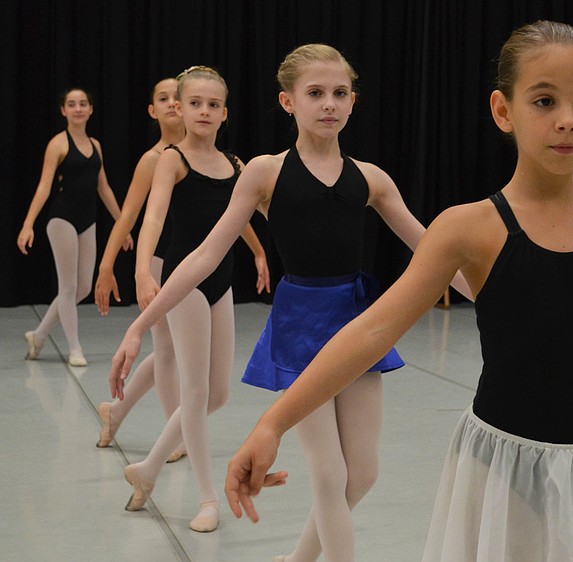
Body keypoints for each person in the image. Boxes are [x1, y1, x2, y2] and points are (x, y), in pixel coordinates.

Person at [212, 21, 573, 561]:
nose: (567, 120)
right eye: (544, 101)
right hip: (497, 469)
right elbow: (373, 330)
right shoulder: (468, 229)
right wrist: (273, 423)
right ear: (503, 109)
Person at [109, 44, 471, 560]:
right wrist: (141, 324)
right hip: (300, 326)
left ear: (353, 102)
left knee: (362, 473)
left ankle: (299, 559)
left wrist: (497, 296)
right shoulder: (264, 172)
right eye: (316, 93)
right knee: (330, 475)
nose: (329, 104)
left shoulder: (371, 179)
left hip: (357, 326)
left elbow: (436, 254)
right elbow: (206, 254)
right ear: (288, 102)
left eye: (340, 93)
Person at [117, 65, 269, 533]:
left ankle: (148, 467)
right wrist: (144, 270)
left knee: (218, 393)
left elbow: (252, 216)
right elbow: (154, 217)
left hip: (219, 282)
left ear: (225, 113)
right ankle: (207, 499)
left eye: (214, 104)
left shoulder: (236, 165)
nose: (205, 111)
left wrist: (261, 253)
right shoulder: (172, 159)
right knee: (197, 391)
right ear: (179, 109)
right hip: (183, 283)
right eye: (195, 103)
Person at [17, 88, 132, 367]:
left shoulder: (95, 145)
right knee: (68, 286)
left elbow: (103, 188)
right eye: (72, 104)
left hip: (87, 220)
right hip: (62, 219)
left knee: (82, 288)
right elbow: (44, 186)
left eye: (83, 104)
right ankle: (74, 348)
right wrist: (28, 224)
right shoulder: (58, 144)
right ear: (63, 111)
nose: (78, 108)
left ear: (91, 109)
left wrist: (122, 224)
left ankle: (39, 334)